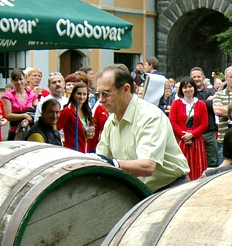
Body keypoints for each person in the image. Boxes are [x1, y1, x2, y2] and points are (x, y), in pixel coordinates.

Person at [95, 64, 190, 192]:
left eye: (105, 93)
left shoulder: (150, 116)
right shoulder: (111, 122)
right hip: (140, 192)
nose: (101, 100)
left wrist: (112, 164)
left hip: (171, 191)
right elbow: (100, 159)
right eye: (98, 94)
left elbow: (148, 166)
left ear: (126, 89)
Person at [169, 76, 208, 180]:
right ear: (181, 89)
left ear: (194, 88)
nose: (188, 90)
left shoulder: (201, 104)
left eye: (190, 87)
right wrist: (184, 135)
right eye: (185, 87)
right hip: (182, 141)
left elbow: (204, 124)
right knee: (182, 165)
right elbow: (173, 122)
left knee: (198, 165)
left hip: (197, 141)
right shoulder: (176, 104)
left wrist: (192, 134)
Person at [57, 82, 106, 153]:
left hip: (86, 151)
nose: (82, 97)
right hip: (72, 151)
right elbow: (56, 128)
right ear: (73, 95)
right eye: (79, 94)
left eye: (84, 94)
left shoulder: (86, 111)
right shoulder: (67, 111)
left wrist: (90, 131)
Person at [2, 68, 39, 141]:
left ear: (25, 79)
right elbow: (8, 115)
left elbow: (36, 113)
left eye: (21, 79)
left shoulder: (32, 95)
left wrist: (28, 119)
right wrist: (25, 115)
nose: (19, 82)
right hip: (14, 131)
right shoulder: (8, 96)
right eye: (16, 80)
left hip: (30, 130)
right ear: (12, 81)